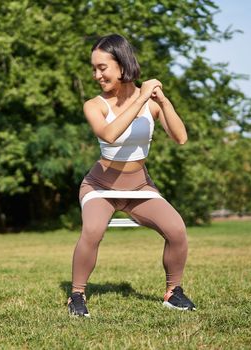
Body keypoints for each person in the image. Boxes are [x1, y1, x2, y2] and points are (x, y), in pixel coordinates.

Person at [68, 34, 196, 317]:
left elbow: (181, 137)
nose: (96, 75)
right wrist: (140, 97)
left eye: (102, 67)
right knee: (92, 231)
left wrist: (162, 100)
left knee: (177, 230)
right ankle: (76, 295)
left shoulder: (149, 103)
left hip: (139, 185)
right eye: (94, 68)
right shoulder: (95, 105)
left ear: (122, 64)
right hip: (100, 185)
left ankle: (173, 292)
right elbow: (111, 136)